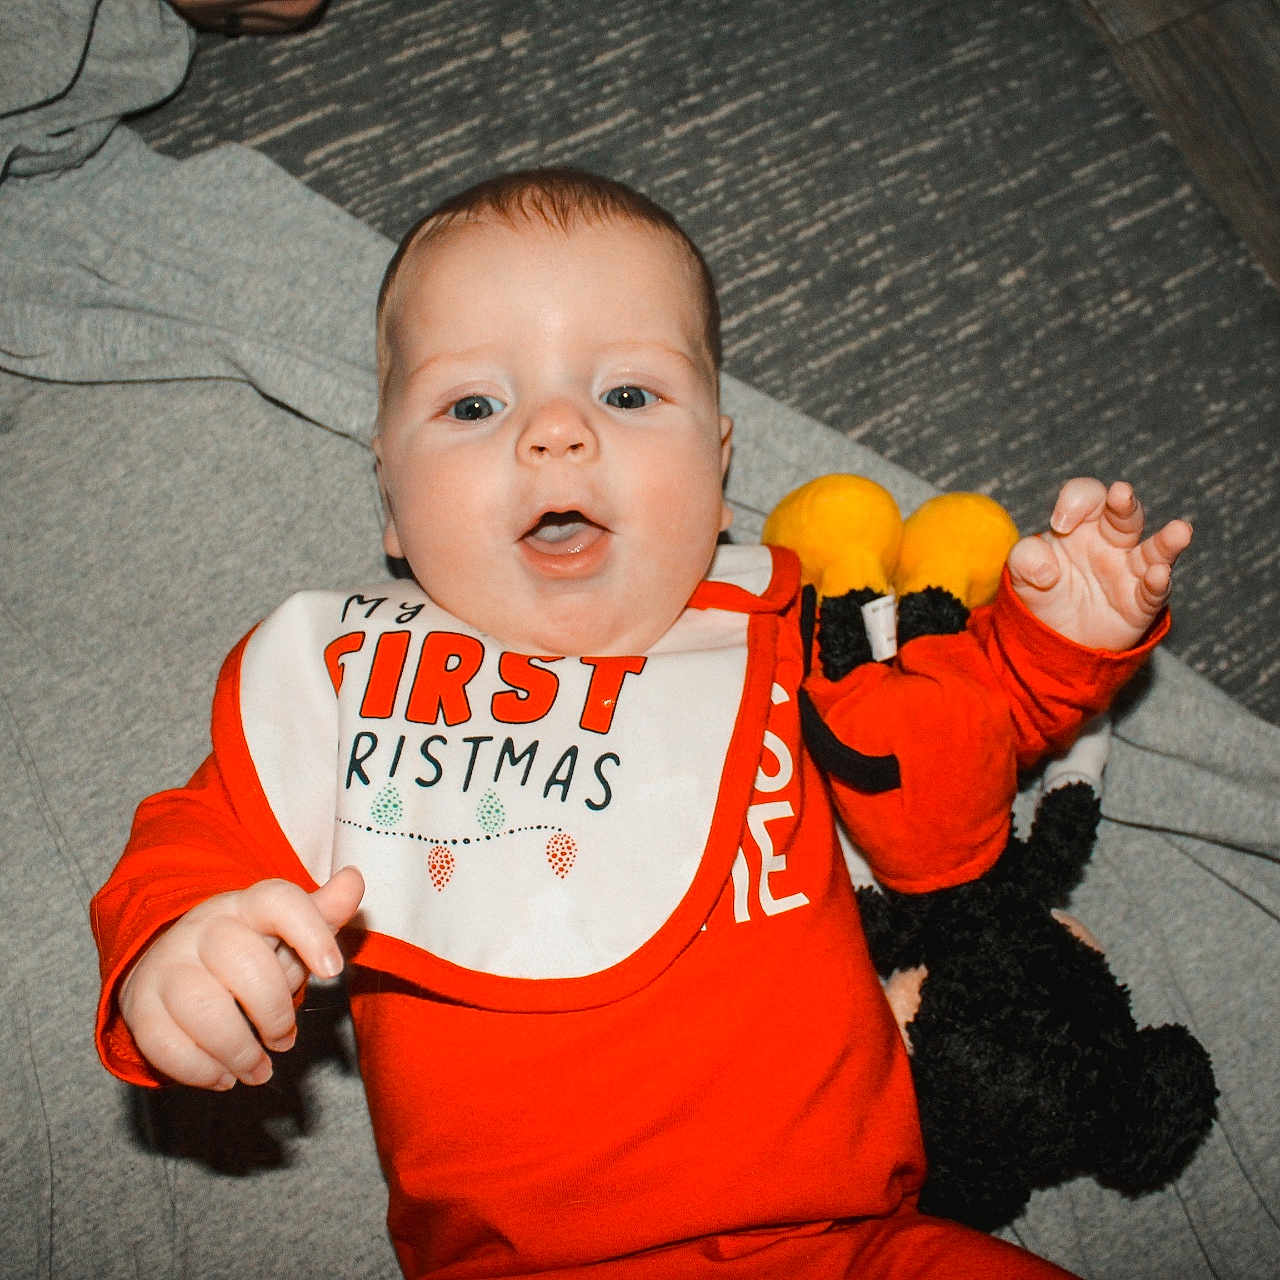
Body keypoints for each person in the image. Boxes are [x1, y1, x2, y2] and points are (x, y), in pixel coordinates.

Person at [91, 167, 1191, 1279]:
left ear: (717, 473)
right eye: (474, 405)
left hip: (854, 1242)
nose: (556, 432)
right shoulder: (349, 684)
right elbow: (200, 839)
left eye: (624, 396)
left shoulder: (780, 639)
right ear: (388, 499)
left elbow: (962, 727)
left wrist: (1064, 638)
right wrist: (177, 951)